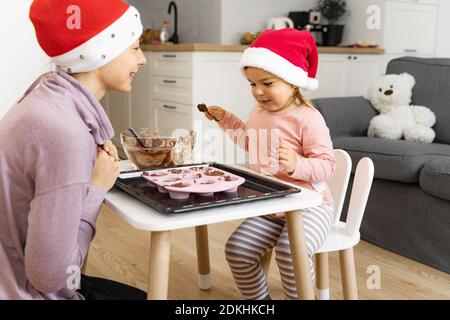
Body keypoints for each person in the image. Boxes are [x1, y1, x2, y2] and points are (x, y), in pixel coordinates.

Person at [0, 0, 147, 299]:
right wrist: (95, 189)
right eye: (135, 48)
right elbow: (52, 279)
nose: (143, 59)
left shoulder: (45, 96)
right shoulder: (65, 133)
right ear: (101, 51)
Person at [201, 29, 336, 300]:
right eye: (252, 84)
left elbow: (327, 166)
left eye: (267, 83)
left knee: (290, 251)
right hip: (271, 203)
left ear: (292, 81)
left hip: (310, 205)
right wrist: (225, 119)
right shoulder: (259, 112)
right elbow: (251, 142)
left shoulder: (308, 118)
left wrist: (297, 164)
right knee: (238, 250)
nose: (258, 92)